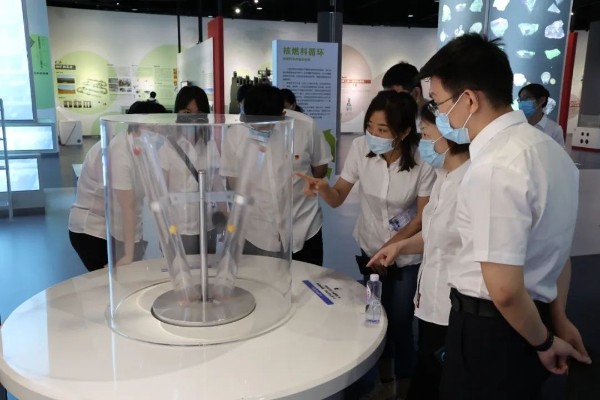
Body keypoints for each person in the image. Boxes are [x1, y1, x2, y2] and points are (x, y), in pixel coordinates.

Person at [418, 33, 590, 399]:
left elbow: (505, 290)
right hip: (533, 320)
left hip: (493, 333)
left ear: (469, 99)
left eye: (437, 103)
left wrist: (545, 343)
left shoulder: (496, 165)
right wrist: (556, 319)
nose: (437, 114)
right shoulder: (551, 152)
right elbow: (559, 255)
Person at [298, 90, 435, 399]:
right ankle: (385, 382)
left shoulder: (422, 159)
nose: (373, 134)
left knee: (400, 322)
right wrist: (322, 187)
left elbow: (421, 218)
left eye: (383, 129)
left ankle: (405, 385)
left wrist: (392, 248)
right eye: (370, 126)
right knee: (374, 316)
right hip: (369, 250)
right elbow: (338, 197)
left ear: (404, 132)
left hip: (406, 256)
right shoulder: (361, 149)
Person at [368, 102, 470, 399]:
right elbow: (434, 234)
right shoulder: (443, 176)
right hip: (431, 302)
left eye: (425, 134)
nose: (421, 142)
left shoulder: (471, 181)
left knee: (438, 378)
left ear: (450, 134)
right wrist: (400, 246)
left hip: (455, 305)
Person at [220, 84, 332, 266]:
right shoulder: (235, 134)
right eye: (255, 124)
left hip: (303, 225)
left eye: (267, 124)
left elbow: (320, 166)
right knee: (261, 281)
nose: (261, 129)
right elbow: (233, 182)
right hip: (256, 231)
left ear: (282, 114)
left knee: (309, 279)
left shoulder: (305, 126)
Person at [158, 85, 225, 254]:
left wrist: (225, 217)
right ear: (178, 113)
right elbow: (161, 193)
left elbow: (217, 185)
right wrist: (164, 232)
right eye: (187, 112)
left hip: (207, 225)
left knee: (208, 267)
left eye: (198, 114)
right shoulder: (168, 147)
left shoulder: (209, 145)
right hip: (179, 228)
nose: (193, 119)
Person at [68, 140, 106, 271]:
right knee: (107, 279)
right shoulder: (109, 150)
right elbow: (117, 200)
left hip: (98, 230)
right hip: (93, 232)